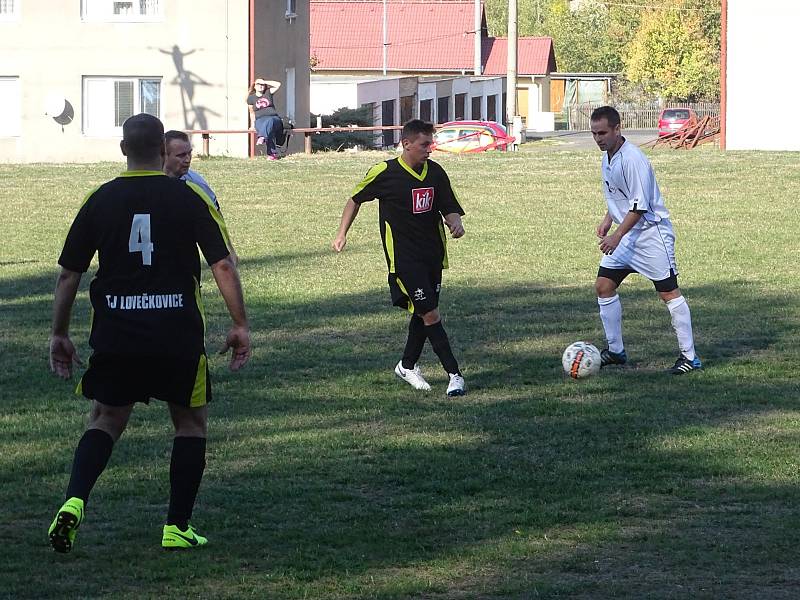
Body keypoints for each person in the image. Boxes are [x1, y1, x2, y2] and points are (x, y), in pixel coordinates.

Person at [47, 113, 251, 553]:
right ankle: (177, 527)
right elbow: (222, 264)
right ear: (163, 150)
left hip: (118, 334)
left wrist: (60, 333)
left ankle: (74, 502)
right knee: (190, 423)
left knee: (105, 419)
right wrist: (239, 324)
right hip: (177, 334)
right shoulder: (190, 195)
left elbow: (69, 275)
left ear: (123, 150)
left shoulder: (99, 199)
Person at [332, 119, 467, 396]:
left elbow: (449, 207)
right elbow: (355, 198)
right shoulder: (385, 172)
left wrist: (456, 224)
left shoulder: (436, 173)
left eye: (431, 143)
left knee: (423, 312)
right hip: (404, 258)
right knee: (430, 313)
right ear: (406, 144)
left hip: (433, 255)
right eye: (424, 144)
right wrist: (342, 232)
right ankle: (455, 375)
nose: (430, 149)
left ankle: (407, 365)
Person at [589, 105, 701, 374]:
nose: (598, 138)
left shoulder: (633, 159)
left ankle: (690, 357)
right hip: (627, 237)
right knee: (603, 286)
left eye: (603, 132)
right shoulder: (608, 156)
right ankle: (616, 351)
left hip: (651, 236)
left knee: (668, 293)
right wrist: (608, 217)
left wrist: (616, 235)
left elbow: (639, 207)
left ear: (618, 129)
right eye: (594, 133)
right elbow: (620, 194)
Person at [163, 129, 238, 264]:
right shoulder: (150, 182)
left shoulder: (196, 182)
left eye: (189, 153)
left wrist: (229, 249)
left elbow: (215, 214)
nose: (187, 159)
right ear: (164, 155)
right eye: (180, 155)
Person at [246, 77, 283, 160]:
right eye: (258, 84)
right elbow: (251, 113)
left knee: (269, 122)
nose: (261, 86)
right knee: (268, 129)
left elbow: (278, 84)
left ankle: (262, 137)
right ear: (254, 86)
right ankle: (272, 155)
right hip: (260, 120)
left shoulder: (268, 92)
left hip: (274, 119)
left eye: (262, 85)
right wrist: (252, 125)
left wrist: (264, 81)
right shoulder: (251, 98)